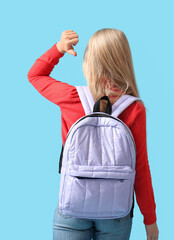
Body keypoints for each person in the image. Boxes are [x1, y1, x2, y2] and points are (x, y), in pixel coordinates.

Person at [27, 28, 159, 240]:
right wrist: (150, 219)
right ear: (124, 61)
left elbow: (35, 75)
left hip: (72, 206)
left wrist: (59, 48)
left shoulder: (71, 97)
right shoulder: (134, 109)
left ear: (89, 61)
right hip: (116, 213)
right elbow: (141, 168)